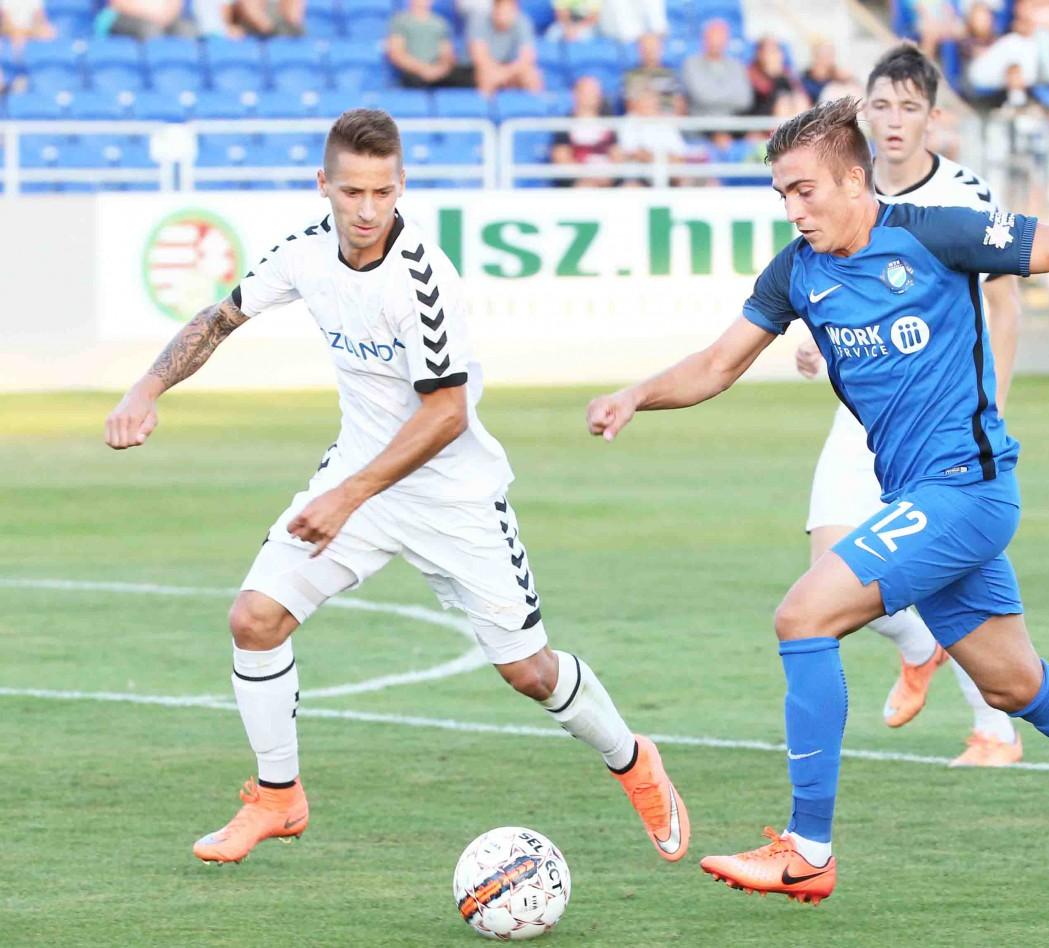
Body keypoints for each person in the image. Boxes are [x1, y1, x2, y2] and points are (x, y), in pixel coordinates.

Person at [586, 96, 1049, 903]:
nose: (793, 209)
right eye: (782, 194)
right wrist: (636, 394)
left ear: (854, 181)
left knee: (802, 617)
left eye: (805, 190)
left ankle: (807, 849)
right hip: (919, 499)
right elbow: (716, 365)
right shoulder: (796, 272)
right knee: (1013, 685)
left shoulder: (932, 233)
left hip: (968, 490)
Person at [104, 108, 690, 868]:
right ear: (323, 185)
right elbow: (220, 319)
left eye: (382, 192)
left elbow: (446, 415)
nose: (367, 210)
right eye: (352, 192)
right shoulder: (304, 254)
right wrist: (145, 388)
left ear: (402, 185)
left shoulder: (422, 279)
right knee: (254, 619)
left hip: (453, 498)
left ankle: (633, 760)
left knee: (529, 671)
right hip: (357, 481)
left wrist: (347, 496)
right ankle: (278, 798)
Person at [792, 44, 1024, 767]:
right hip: (866, 413)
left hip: (948, 416)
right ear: (864, 111)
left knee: (955, 576)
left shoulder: (963, 195)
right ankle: (921, 647)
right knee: (828, 569)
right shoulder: (839, 187)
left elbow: (1004, 304)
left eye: (909, 107)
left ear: (933, 116)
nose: (894, 121)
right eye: (882, 106)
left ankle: (995, 732)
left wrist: (991, 406)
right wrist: (817, 344)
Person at [388, 0, 474, 89]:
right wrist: (423, 69)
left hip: (439, 71)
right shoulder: (400, 22)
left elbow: (447, 54)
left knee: (469, 76)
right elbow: (397, 53)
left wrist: (440, 69)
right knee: (415, 80)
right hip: (414, 72)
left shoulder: (440, 23)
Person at [551, 74, 619, 186]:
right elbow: (561, 158)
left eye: (595, 92)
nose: (592, 95)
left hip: (607, 180)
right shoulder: (564, 125)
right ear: (576, 94)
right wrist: (587, 177)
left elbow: (617, 155)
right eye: (587, 91)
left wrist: (607, 178)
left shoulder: (609, 123)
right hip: (580, 182)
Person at [467, 0, 542, 96]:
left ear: (514, 11)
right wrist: (497, 72)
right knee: (485, 76)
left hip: (512, 68)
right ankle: (486, 104)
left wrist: (505, 73)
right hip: (488, 67)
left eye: (507, 11)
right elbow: (479, 57)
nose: (502, 16)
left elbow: (527, 57)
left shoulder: (523, 21)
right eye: (499, 11)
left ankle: (534, 104)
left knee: (532, 76)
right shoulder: (479, 21)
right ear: (493, 9)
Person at [681, 18, 751, 117]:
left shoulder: (737, 65)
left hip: (732, 123)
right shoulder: (691, 64)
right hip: (701, 123)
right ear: (704, 39)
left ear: (727, 40)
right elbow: (702, 97)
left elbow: (744, 100)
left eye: (720, 37)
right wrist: (731, 95)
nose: (716, 42)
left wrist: (714, 92)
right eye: (713, 37)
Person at [624, 31, 684, 116]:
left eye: (653, 47)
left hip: (667, 119)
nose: (650, 51)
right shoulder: (632, 75)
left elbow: (679, 106)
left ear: (661, 48)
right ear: (639, 50)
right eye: (646, 47)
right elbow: (632, 106)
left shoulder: (670, 74)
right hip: (641, 120)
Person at [747, 36, 808, 117]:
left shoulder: (786, 72)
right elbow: (764, 92)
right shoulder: (752, 71)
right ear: (759, 54)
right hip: (760, 111)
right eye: (769, 51)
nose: (774, 55)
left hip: (785, 108)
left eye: (776, 50)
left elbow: (801, 93)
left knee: (799, 101)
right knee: (783, 103)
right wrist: (773, 73)